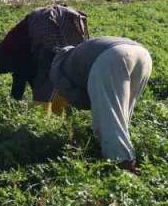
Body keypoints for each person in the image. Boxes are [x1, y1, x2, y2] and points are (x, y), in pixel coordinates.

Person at [45, 36, 153, 171]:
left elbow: (78, 98)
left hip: (112, 57)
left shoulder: (57, 68)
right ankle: (119, 151)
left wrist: (71, 127)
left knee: (109, 117)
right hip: (142, 55)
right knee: (120, 115)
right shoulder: (78, 53)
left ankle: (123, 166)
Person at [0, 4, 89, 104]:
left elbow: (22, 72)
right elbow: (26, 68)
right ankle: (68, 103)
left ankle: (52, 108)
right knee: (68, 64)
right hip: (62, 17)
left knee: (48, 74)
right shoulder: (9, 43)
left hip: (46, 25)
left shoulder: (5, 52)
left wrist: (15, 98)